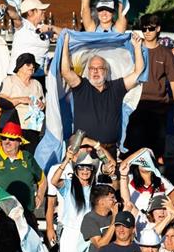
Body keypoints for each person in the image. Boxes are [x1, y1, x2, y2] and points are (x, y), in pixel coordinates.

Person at [59, 29, 145, 159]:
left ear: (106, 71)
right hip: (84, 150)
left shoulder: (116, 87)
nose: (95, 71)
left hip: (109, 149)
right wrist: (65, 43)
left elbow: (138, 73)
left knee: (111, 180)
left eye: (99, 68)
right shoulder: (81, 86)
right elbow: (65, 71)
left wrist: (137, 47)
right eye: (92, 68)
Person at [123, 14, 174, 161]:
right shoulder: (134, 49)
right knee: (133, 150)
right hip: (135, 106)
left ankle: (156, 182)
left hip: (158, 109)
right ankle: (133, 182)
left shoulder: (166, 53)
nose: (147, 32)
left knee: (156, 153)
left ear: (158, 29)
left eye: (150, 28)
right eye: (144, 29)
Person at [0, 53, 47, 151]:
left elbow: (43, 103)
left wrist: (42, 105)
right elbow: (1, 101)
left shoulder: (37, 84)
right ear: (19, 66)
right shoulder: (10, 80)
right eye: (28, 64)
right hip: (13, 127)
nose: (32, 67)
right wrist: (20, 99)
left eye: (33, 65)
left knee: (30, 157)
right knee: (13, 155)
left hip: (33, 127)